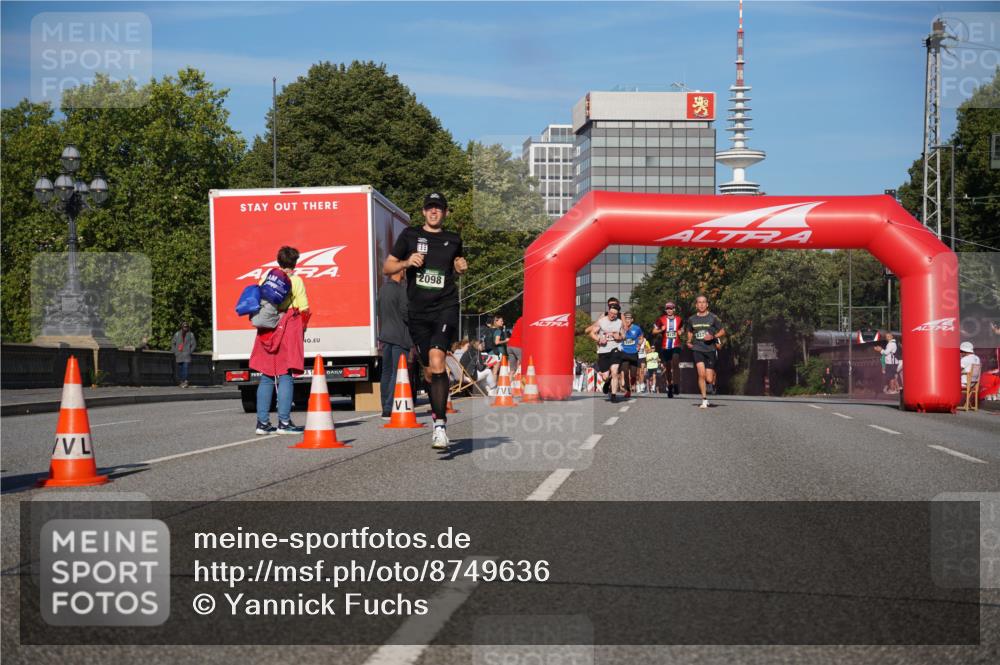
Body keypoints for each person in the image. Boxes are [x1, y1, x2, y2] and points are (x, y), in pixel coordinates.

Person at [384, 192, 467, 450]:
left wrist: (461, 266)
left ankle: (440, 425)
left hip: (445, 307)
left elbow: (458, 264)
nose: (434, 212)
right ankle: (437, 415)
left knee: (437, 358)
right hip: (418, 313)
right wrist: (407, 262)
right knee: (430, 371)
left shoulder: (453, 240)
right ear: (423, 212)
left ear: (445, 212)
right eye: (430, 208)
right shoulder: (409, 236)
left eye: (439, 209)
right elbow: (387, 267)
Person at [251, 246, 309, 434]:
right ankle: (284, 422)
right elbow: (304, 308)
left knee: (267, 376)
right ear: (294, 263)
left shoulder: (266, 278)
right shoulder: (296, 281)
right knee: (285, 375)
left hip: (266, 330)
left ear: (279, 261)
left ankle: (262, 423)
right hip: (287, 328)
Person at [377, 269, 413, 420]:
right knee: (396, 372)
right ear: (400, 271)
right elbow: (406, 312)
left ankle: (384, 404)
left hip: (385, 335)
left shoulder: (383, 289)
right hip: (399, 337)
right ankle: (388, 408)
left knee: (386, 372)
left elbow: (378, 310)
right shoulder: (401, 290)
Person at [685, 295, 726, 409]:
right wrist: (688, 340)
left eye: (704, 302)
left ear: (707, 304)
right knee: (701, 374)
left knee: (709, 378)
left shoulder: (713, 317)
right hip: (697, 348)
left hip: (710, 350)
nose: (702, 304)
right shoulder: (692, 319)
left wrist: (713, 336)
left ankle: (711, 383)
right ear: (696, 305)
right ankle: (704, 399)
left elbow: (722, 331)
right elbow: (689, 331)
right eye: (699, 302)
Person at [590, 303, 624, 403]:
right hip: (603, 351)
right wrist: (599, 339)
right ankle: (607, 381)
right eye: (611, 313)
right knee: (605, 376)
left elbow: (624, 335)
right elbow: (592, 333)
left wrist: (619, 337)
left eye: (615, 314)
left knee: (614, 371)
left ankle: (613, 395)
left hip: (615, 349)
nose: (612, 315)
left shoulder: (619, 322)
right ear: (608, 311)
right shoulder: (601, 321)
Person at [653, 301, 684, 398]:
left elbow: (682, 329)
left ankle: (676, 385)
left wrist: (681, 331)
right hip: (665, 347)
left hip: (676, 345)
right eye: (668, 309)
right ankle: (670, 386)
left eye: (671, 308)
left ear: (674, 309)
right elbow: (653, 331)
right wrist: (660, 330)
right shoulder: (661, 319)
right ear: (665, 310)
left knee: (675, 363)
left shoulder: (679, 319)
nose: (669, 310)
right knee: (668, 368)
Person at [618, 312, 644, 400]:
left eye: (629, 319)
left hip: (633, 353)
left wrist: (639, 345)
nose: (627, 320)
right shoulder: (621, 328)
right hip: (624, 352)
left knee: (633, 374)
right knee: (625, 372)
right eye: (625, 319)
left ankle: (633, 382)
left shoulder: (637, 328)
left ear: (632, 320)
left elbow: (641, 337)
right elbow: (618, 337)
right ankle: (628, 390)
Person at [171, 322, 196, 388]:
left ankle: (185, 381)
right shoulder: (177, 334)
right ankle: (181, 382)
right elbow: (173, 343)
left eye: (187, 326)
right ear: (182, 327)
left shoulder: (191, 334)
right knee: (180, 369)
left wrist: (190, 351)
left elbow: (194, 344)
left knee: (185, 368)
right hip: (179, 354)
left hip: (186, 354)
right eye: (184, 326)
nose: (185, 328)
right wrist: (175, 351)